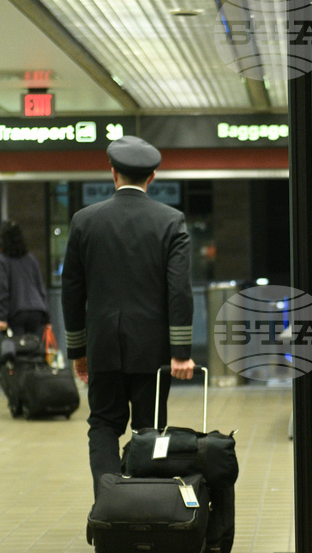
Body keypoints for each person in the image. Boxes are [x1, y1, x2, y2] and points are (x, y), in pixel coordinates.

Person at [61, 136, 195, 495]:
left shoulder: (84, 220)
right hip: (153, 353)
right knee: (150, 430)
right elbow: (178, 289)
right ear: (152, 177)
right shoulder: (170, 221)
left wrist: (78, 351)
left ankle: (109, 502)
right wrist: (181, 351)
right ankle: (145, 506)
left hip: (103, 346)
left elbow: (72, 291)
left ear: (112, 172)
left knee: (103, 425)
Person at [0, 219, 50, 335]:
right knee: (31, 349)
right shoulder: (31, 259)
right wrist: (47, 317)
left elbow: (1, 288)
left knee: (15, 349)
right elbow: (41, 288)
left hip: (15, 313)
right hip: (37, 312)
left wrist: (1, 317)